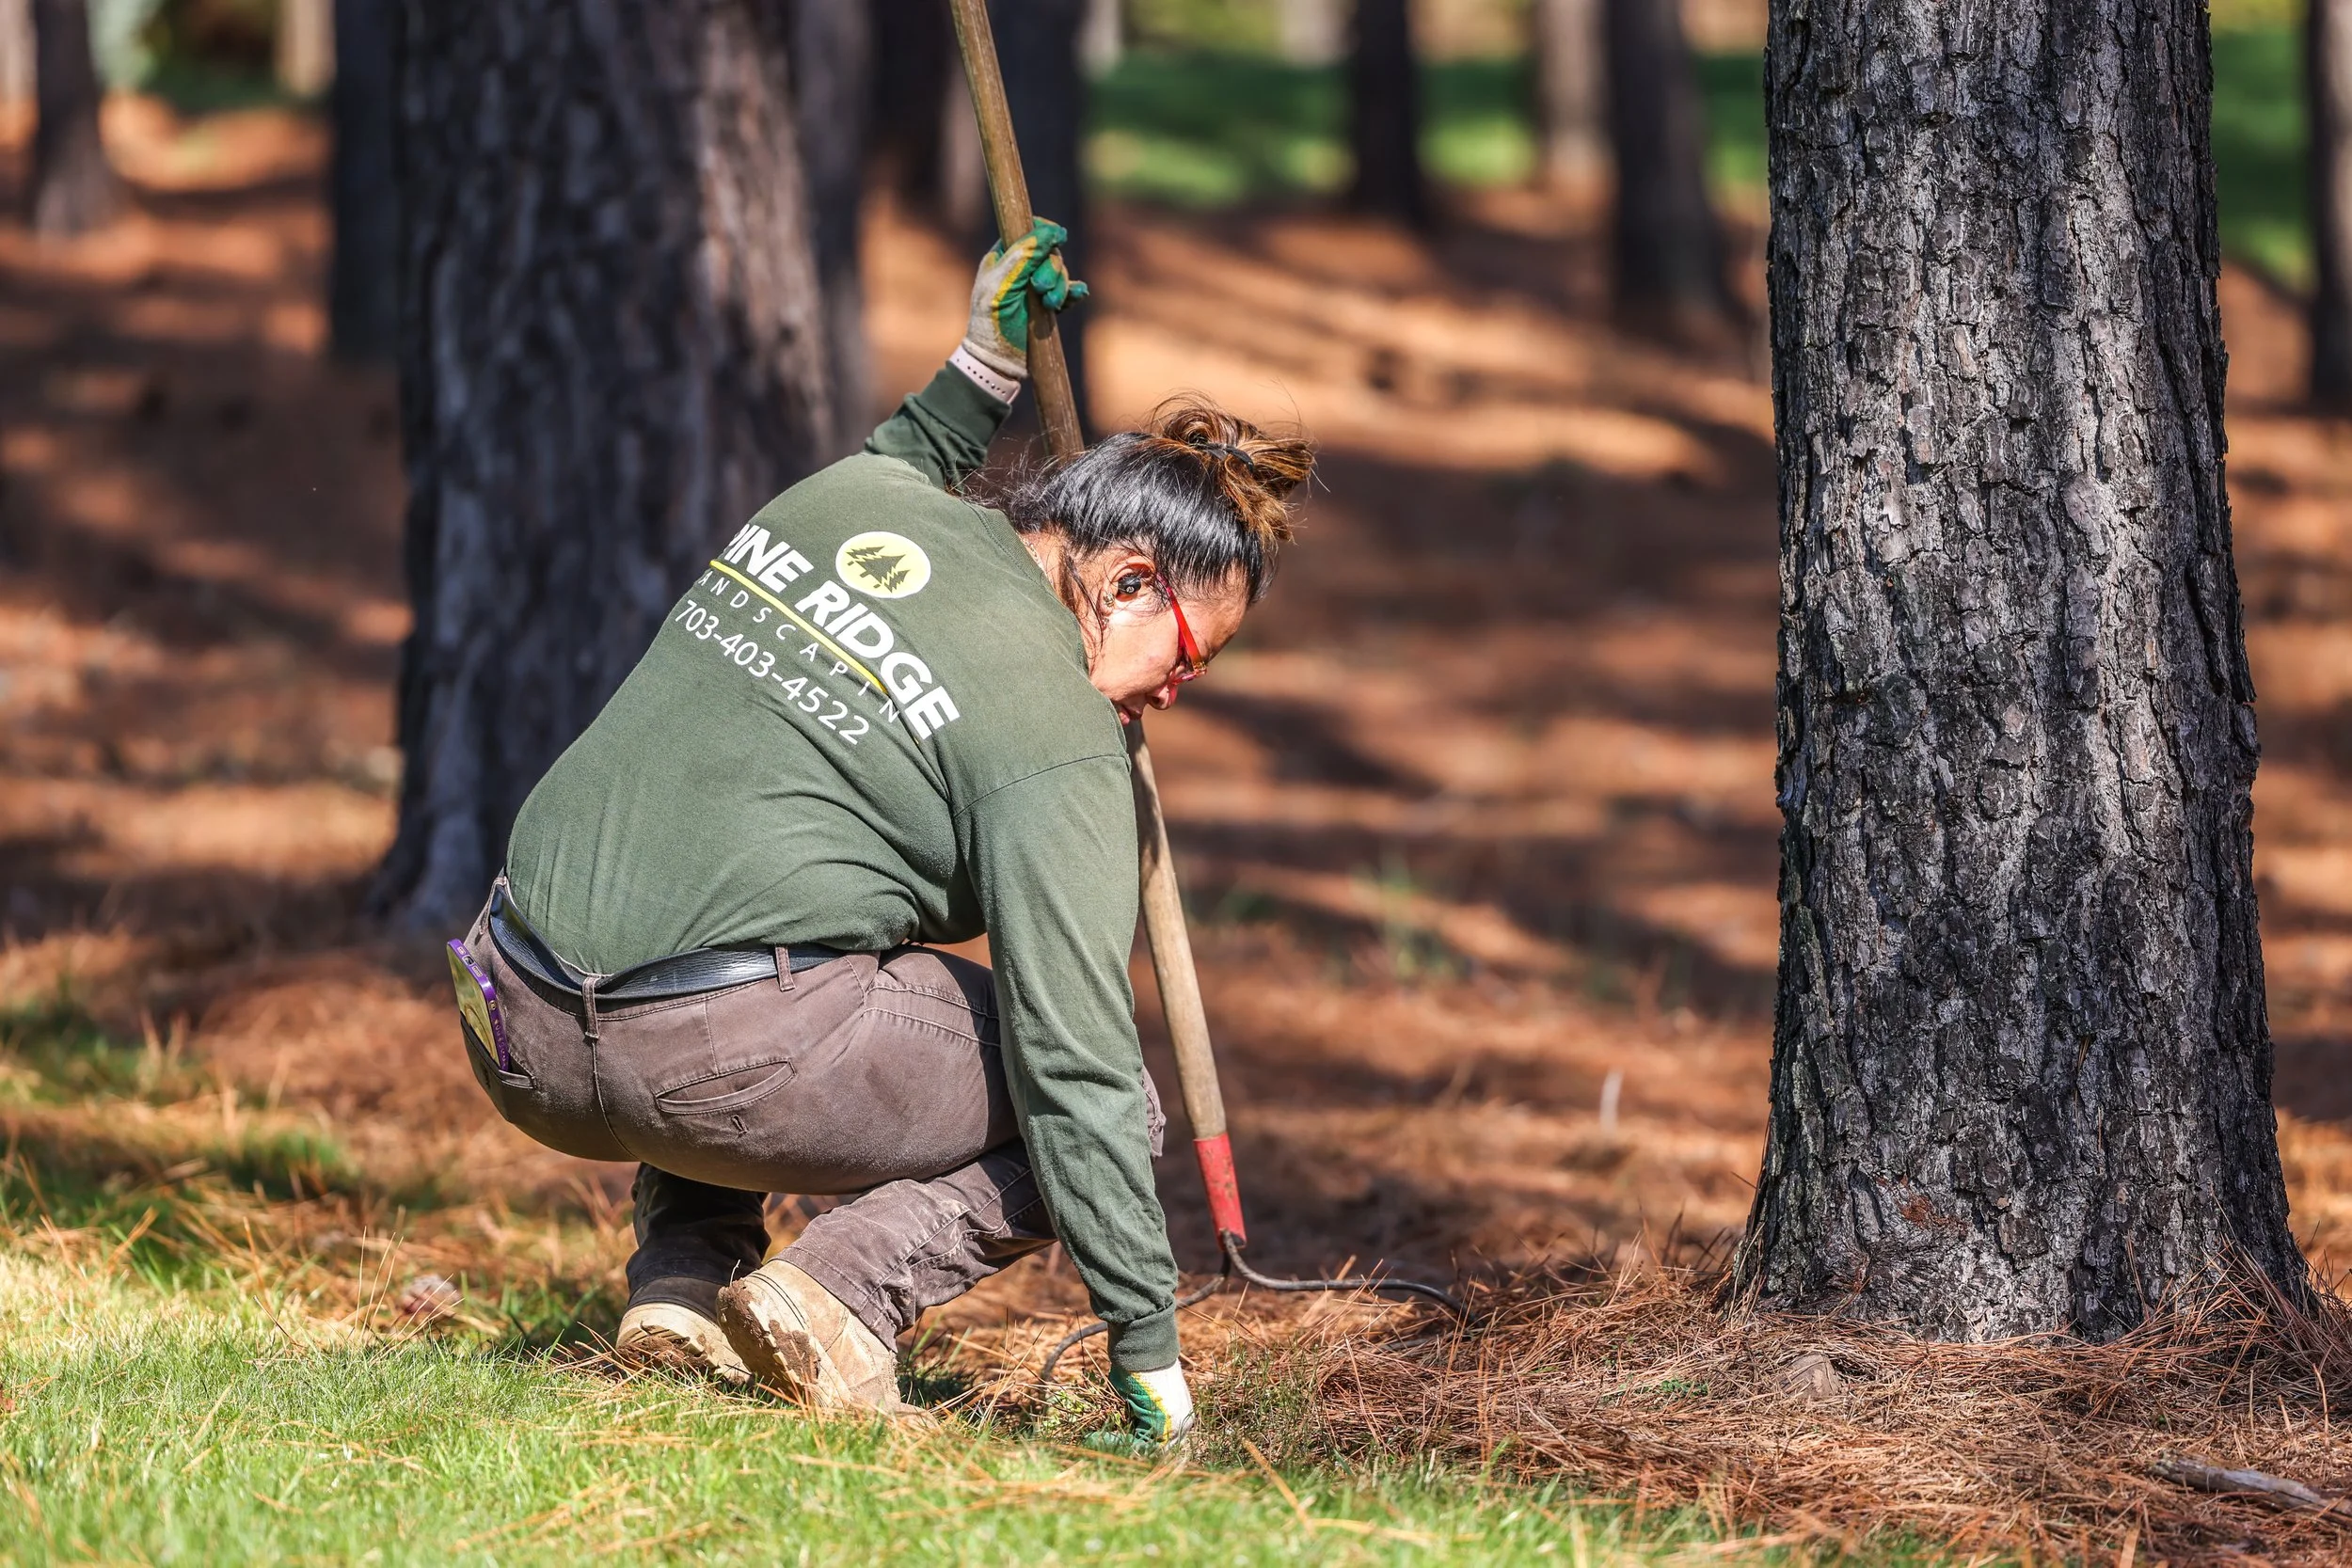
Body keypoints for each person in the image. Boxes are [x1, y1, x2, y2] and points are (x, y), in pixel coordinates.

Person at [443, 221, 1311, 1449]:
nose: (1176, 694)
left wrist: (982, 360)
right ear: (1125, 580)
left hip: (513, 1014)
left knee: (788, 888)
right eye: (1191, 653)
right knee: (1119, 1106)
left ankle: (684, 1288)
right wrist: (1152, 1363)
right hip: (704, 1066)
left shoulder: (848, 502)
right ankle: (842, 1292)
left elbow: (910, 453)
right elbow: (1079, 1071)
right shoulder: (1058, 735)